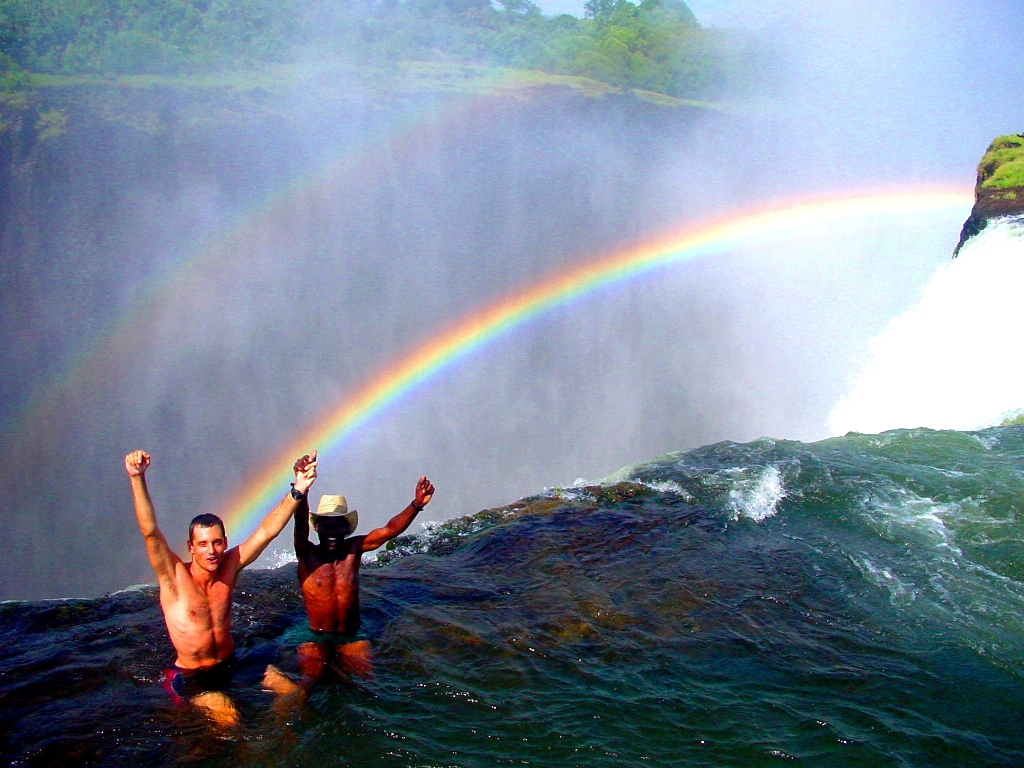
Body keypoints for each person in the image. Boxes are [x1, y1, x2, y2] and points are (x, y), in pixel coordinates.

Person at [124, 448, 318, 726]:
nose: (211, 551)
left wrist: (297, 489)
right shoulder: (174, 577)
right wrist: (137, 477)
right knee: (229, 718)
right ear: (191, 548)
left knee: (293, 693)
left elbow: (267, 531)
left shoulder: (230, 565)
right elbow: (150, 532)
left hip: (231, 663)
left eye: (216, 542)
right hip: (192, 675)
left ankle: (281, 748)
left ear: (225, 542)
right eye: (202, 544)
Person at [263, 475, 435, 698]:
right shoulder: (307, 553)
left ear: (346, 529)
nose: (332, 531)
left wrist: (416, 505)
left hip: (351, 634)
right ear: (317, 528)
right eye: (326, 525)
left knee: (366, 687)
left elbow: (389, 531)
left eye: (337, 525)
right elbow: (299, 521)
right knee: (308, 686)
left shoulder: (355, 549)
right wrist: (301, 490)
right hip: (315, 635)